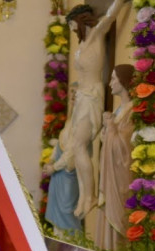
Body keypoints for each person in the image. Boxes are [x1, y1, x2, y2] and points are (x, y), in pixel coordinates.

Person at [50, 0, 128, 218]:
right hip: (82, 98)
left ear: (80, 20)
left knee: (80, 145)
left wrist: (120, 2)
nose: (71, 28)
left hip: (92, 97)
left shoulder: (95, 35)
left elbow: (110, 16)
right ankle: (85, 197)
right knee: (77, 146)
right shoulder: (83, 44)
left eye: (72, 24)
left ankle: (90, 196)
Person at [96, 64, 135, 251]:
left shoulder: (132, 110)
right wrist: (107, 128)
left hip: (119, 174)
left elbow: (124, 147)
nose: (110, 83)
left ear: (123, 81)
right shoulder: (120, 108)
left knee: (118, 217)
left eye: (113, 78)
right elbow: (108, 140)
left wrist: (111, 127)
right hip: (109, 171)